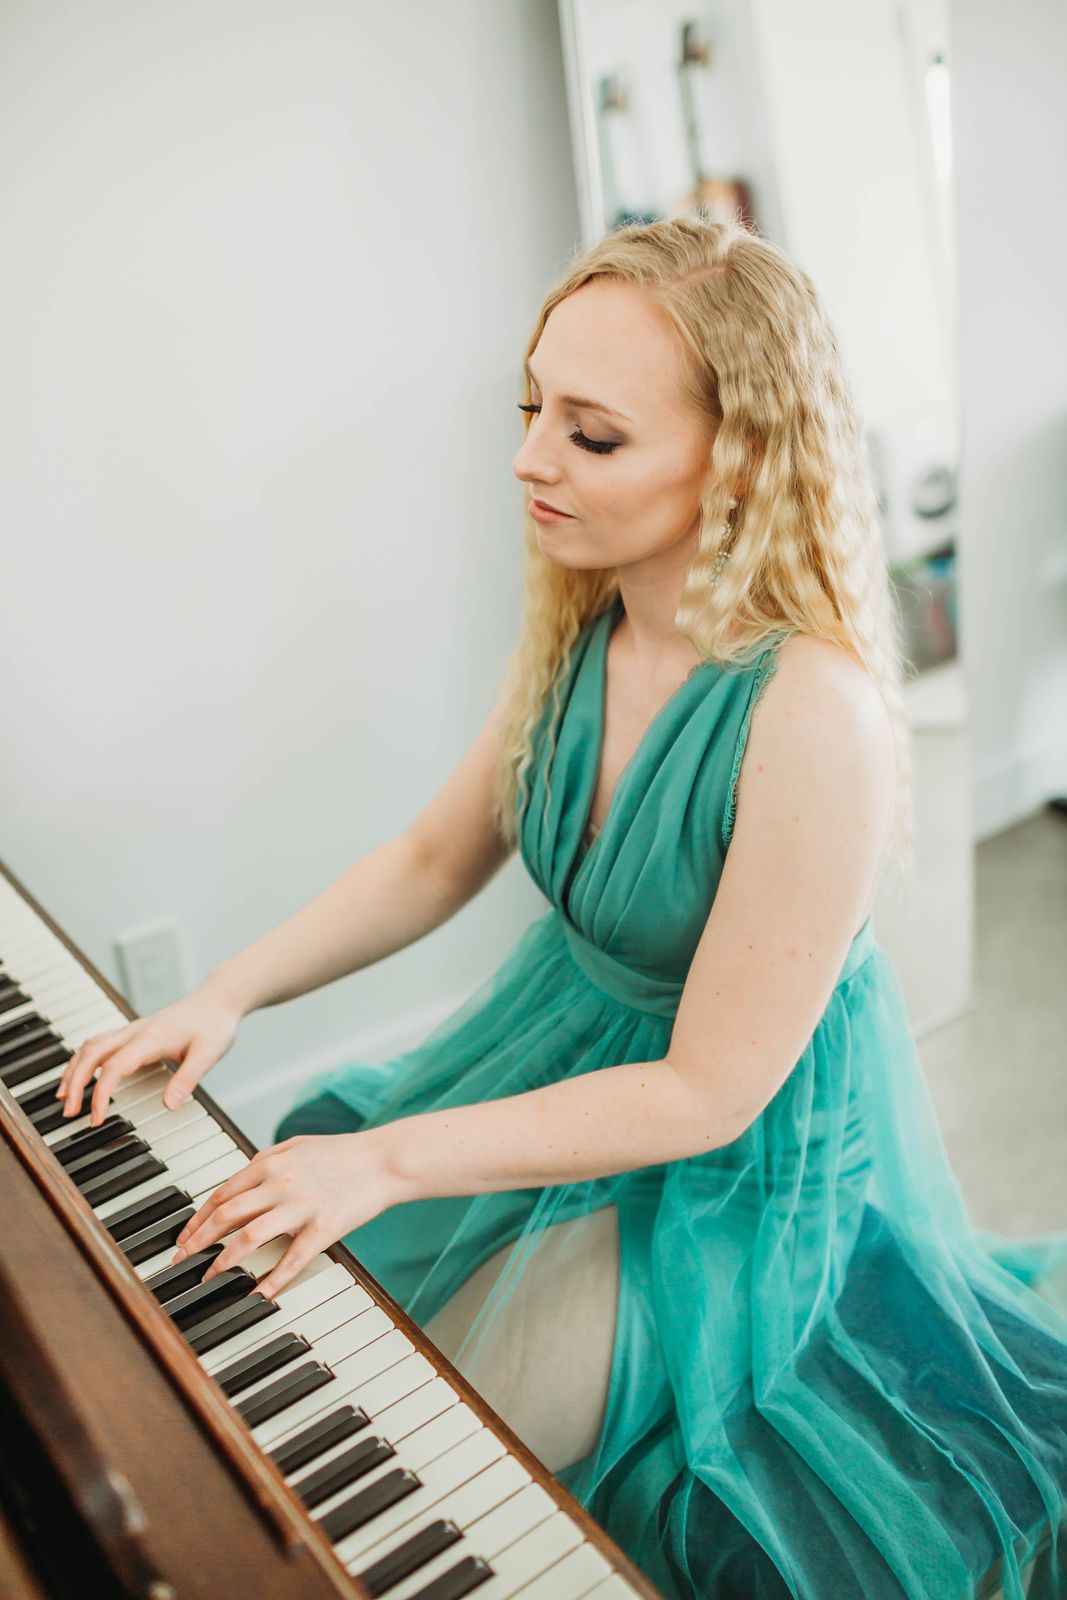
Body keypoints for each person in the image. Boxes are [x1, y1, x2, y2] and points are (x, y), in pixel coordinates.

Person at [57, 216, 1067, 1600]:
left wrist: (391, 1160)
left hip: (732, 1156)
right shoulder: (589, 618)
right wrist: (225, 993)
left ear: (742, 458)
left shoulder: (811, 710)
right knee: (331, 1320)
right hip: (566, 1049)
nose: (532, 458)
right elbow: (432, 859)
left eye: (592, 435)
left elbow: (707, 1092)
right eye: (531, 409)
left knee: (438, 1439)